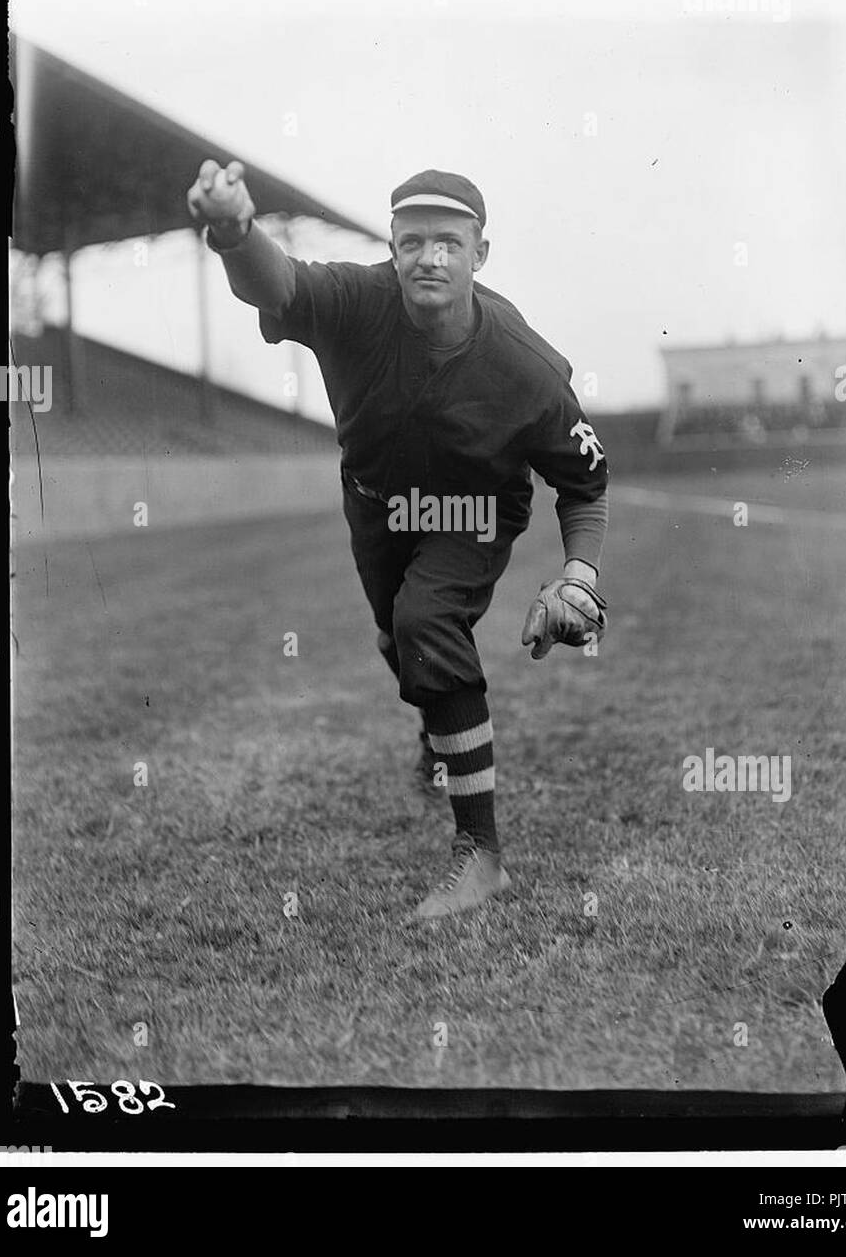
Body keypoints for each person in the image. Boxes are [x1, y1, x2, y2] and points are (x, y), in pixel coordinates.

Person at [186, 161, 610, 919]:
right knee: (396, 637)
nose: (430, 258)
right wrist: (233, 231)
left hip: (472, 511)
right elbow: (276, 285)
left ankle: (479, 855)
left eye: (449, 242)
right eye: (412, 241)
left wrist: (578, 573)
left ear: (480, 254)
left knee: (425, 621)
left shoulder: (525, 366)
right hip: (376, 504)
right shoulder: (356, 300)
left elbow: (582, 482)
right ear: (391, 245)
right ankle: (439, 738)